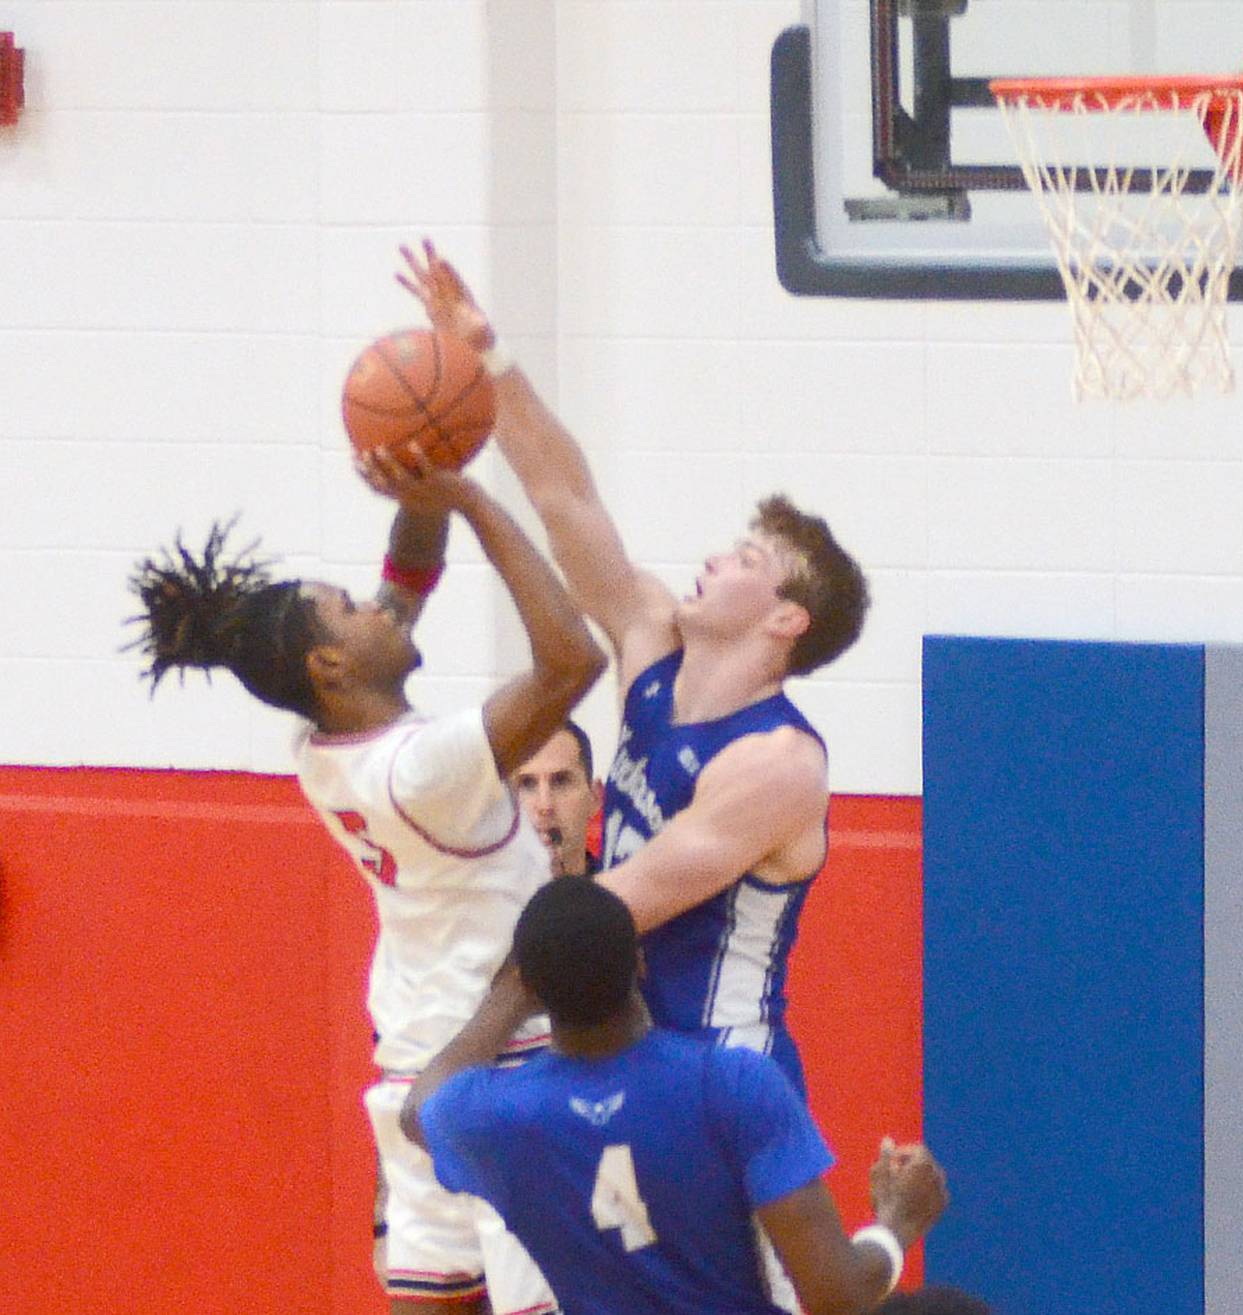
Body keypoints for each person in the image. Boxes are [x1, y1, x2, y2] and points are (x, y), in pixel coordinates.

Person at [128, 451, 606, 1315]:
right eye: (348, 610)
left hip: (410, 1070)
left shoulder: (322, 750)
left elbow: (407, 578)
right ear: (330, 667)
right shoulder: (422, 768)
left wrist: (418, 486)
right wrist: (469, 497)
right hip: (503, 1066)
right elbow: (572, 659)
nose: (376, 604)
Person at [398, 240, 871, 1096]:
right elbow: (564, 497)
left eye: (746, 557)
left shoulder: (778, 762)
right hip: (628, 1057)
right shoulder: (651, 641)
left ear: (784, 617)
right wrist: (486, 358)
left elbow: (620, 906)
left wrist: (466, 1000)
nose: (714, 559)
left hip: (723, 1072)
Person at [412, 876, 950, 1315]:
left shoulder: (497, 1116)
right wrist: (897, 1225)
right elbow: (837, 1296)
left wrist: (510, 996)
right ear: (640, 961)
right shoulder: (732, 1084)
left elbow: (418, 1109)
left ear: (533, 988)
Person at [510, 719, 604, 876]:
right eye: (527, 783)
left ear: (595, 797)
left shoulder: (624, 896)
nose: (545, 806)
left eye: (561, 781)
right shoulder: (474, 897)